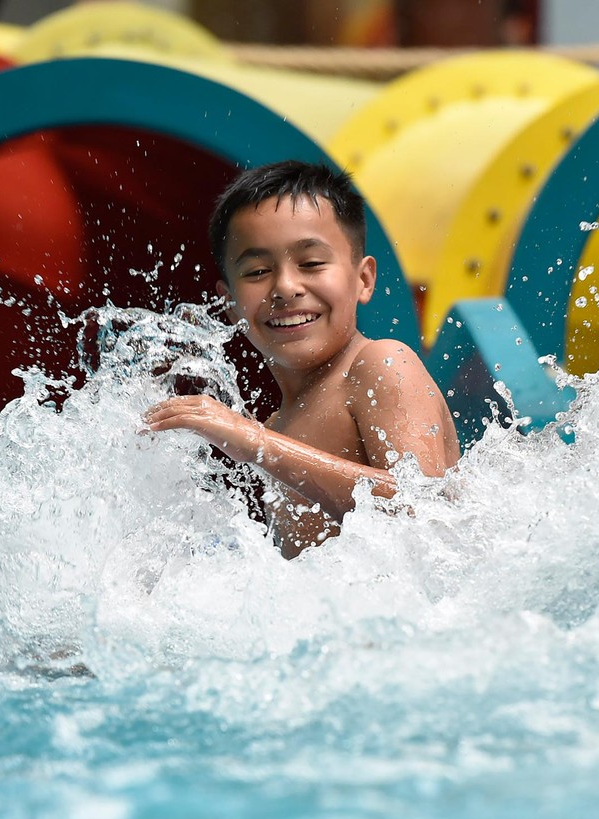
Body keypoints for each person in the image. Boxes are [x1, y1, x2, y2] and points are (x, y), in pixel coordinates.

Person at [143, 161, 459, 557]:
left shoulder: (380, 363)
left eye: (311, 263)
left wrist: (256, 443)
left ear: (364, 279)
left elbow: (424, 512)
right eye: (258, 271)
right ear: (229, 303)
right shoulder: (278, 425)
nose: (286, 287)